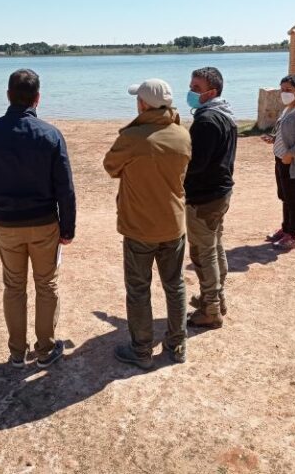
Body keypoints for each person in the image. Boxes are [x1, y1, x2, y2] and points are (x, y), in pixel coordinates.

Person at [0, 69, 76, 369]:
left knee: (14, 287)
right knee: (46, 285)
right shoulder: (50, 134)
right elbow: (65, 188)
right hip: (43, 223)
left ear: (8, 95)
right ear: (37, 98)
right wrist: (67, 228)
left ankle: (17, 352)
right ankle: (45, 349)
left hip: (6, 224)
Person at [103, 79, 192, 368]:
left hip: (139, 227)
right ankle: (177, 344)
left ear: (143, 104)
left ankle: (141, 350)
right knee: (175, 285)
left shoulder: (133, 137)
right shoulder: (182, 134)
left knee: (139, 289)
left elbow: (110, 166)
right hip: (173, 223)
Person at [184, 67, 237, 329]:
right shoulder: (225, 114)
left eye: (196, 88)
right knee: (214, 248)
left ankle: (211, 309)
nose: (191, 92)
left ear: (211, 92)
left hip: (204, 196)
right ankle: (215, 297)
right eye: (191, 86)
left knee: (203, 252)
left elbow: (195, 164)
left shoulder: (206, 120)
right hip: (220, 192)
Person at [260, 74, 295, 251]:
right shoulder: (287, 109)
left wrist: (291, 154)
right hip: (281, 159)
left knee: (294, 200)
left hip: (294, 163)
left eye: (288, 90)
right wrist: (273, 139)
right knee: (285, 197)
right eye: (282, 89)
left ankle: (292, 237)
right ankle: (285, 229)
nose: (284, 93)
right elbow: (285, 133)